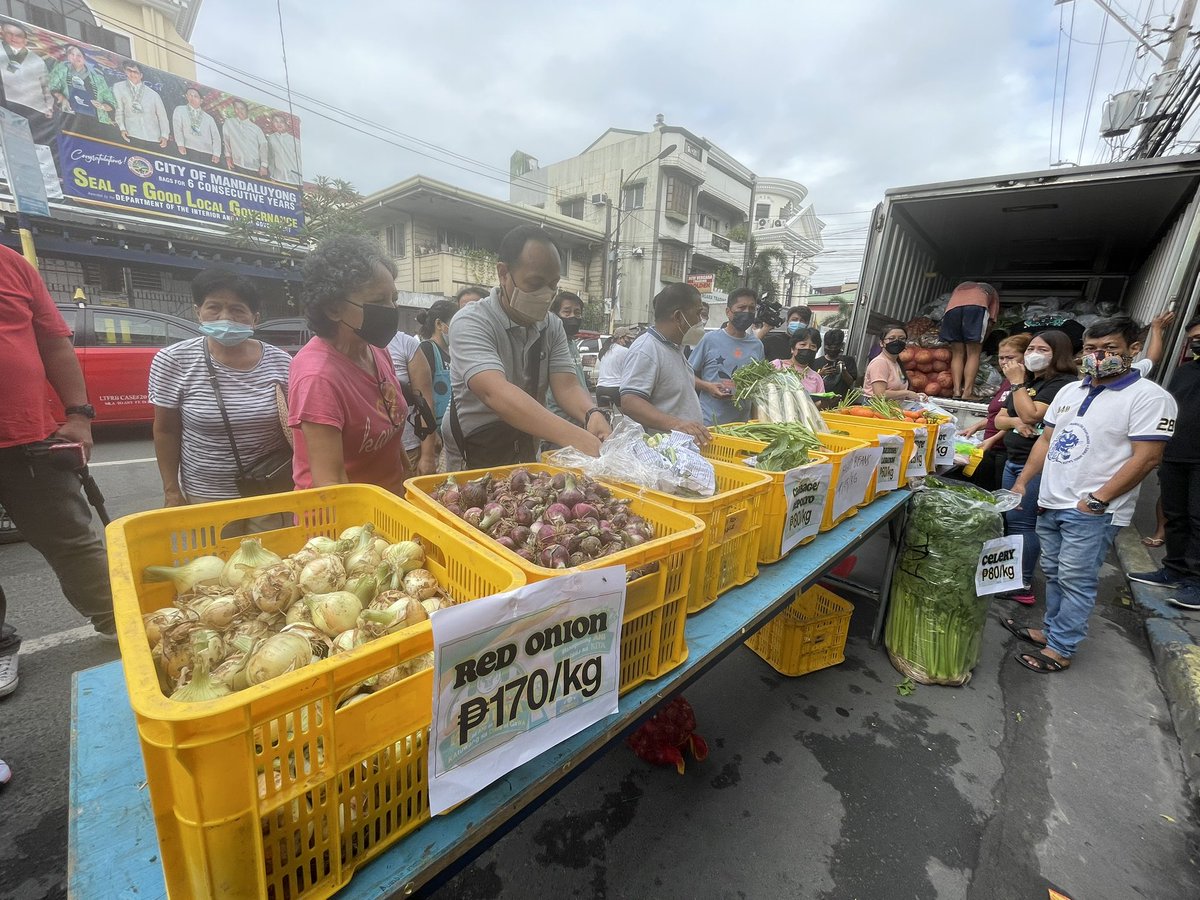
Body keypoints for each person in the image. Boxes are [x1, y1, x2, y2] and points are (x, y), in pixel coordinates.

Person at [1006, 316, 1176, 673]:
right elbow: (1047, 439)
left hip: (1092, 510)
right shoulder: (1071, 391)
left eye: (1109, 349)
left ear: (1133, 350)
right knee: (1053, 573)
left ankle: (1061, 649)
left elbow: (1147, 458)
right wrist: (1023, 483)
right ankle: (1051, 632)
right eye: (1092, 349)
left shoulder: (1149, 397)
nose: (1098, 356)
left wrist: (1096, 500)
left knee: (1076, 579)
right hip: (1051, 501)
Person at [0, 243, 116, 700]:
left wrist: (79, 414)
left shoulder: (12, 264)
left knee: (73, 540)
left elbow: (53, 342)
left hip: (29, 438)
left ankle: (118, 621)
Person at [444, 225, 610, 469]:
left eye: (553, 285)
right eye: (535, 283)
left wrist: (592, 413)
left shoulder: (551, 325)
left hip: (526, 439)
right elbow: (495, 393)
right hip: (478, 446)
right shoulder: (471, 321)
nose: (546, 294)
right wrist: (573, 436)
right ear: (504, 273)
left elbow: (567, 385)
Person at [148, 269, 292, 527]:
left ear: (254, 318)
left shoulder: (281, 362)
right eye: (213, 307)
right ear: (198, 311)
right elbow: (166, 430)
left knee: (273, 563)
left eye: (237, 310)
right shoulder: (173, 361)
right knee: (214, 564)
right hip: (207, 496)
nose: (225, 317)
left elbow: (297, 428)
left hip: (270, 489)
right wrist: (171, 491)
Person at [289, 235, 410, 493]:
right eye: (378, 301)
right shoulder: (318, 376)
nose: (391, 309)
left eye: (394, 298)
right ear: (333, 309)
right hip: (344, 520)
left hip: (387, 506)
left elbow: (389, 424)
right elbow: (331, 484)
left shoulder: (375, 350)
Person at [994, 330, 1078, 606]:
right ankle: (1009, 577)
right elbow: (1001, 419)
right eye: (1030, 349)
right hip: (1014, 459)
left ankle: (1022, 583)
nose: (1032, 355)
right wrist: (1016, 421)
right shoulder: (1031, 383)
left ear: (1059, 354)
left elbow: (1032, 414)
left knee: (1023, 523)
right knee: (1012, 521)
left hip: (1036, 464)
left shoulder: (1062, 385)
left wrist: (1017, 387)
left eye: (1041, 350)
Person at [1128, 316, 1200, 609]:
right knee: (1175, 514)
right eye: (1193, 337)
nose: (1197, 341)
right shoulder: (1185, 372)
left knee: (1198, 519)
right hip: (1176, 454)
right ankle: (1173, 569)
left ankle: (1195, 582)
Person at [621, 282, 712, 447]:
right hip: (662, 453)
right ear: (678, 316)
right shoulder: (647, 349)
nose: (700, 321)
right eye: (698, 314)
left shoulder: (675, 346)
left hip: (682, 450)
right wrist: (677, 424)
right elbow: (630, 401)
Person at [962, 334, 1031, 492]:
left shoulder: (1023, 384)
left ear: (1025, 356)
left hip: (1004, 452)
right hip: (989, 448)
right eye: (1001, 358)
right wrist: (976, 427)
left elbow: (1019, 420)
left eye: (1010, 357)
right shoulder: (1007, 381)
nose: (1005, 362)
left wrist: (993, 439)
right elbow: (997, 415)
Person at [690, 287, 764, 425]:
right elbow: (687, 375)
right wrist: (708, 387)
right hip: (709, 424)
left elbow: (758, 388)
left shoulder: (757, 345)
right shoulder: (709, 340)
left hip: (741, 427)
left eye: (751, 309)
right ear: (728, 312)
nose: (747, 312)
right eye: (741, 308)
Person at [386, 327, 438, 475]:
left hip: (409, 449)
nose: (391, 306)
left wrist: (428, 456)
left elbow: (425, 402)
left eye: (394, 301)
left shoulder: (406, 344)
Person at [939, 281, 1000, 401]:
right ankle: (967, 392)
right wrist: (981, 341)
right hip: (976, 308)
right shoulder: (992, 292)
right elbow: (991, 320)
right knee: (974, 353)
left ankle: (956, 391)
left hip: (951, 310)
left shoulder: (961, 287)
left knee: (957, 353)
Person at [0, 22, 55, 146]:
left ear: (25, 40)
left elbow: (45, 86)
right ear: (2, 34)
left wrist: (49, 106)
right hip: (5, 102)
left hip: (32, 108)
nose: (14, 38)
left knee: (27, 144)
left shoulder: (37, 60)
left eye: (18, 35)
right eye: (10, 34)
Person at [48, 44, 115, 139]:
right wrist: (62, 97)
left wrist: (102, 106)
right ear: (68, 57)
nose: (76, 57)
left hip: (95, 123)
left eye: (79, 55)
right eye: (72, 54)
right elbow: (51, 87)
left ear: (84, 58)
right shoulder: (62, 69)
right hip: (68, 120)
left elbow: (111, 103)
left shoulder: (98, 78)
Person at [545, 291, 590, 426]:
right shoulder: (550, 343)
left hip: (580, 418)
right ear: (555, 314)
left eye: (577, 312)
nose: (573, 317)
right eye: (567, 312)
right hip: (560, 422)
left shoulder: (572, 343)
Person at [416, 299, 458, 431]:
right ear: (439, 324)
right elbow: (422, 397)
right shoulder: (427, 349)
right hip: (436, 429)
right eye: (456, 323)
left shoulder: (453, 352)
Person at [112, 59, 168, 152]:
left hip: (154, 138)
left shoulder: (153, 94)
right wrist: (122, 128)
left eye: (135, 72)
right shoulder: (118, 87)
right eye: (129, 71)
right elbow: (119, 109)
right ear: (125, 72)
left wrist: (164, 135)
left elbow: (162, 117)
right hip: (132, 134)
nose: (132, 74)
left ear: (141, 75)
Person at [864, 326, 925, 401]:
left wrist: (915, 396)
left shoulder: (896, 363)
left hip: (892, 409)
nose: (897, 341)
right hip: (876, 410)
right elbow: (880, 394)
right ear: (882, 343)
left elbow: (896, 391)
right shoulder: (880, 362)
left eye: (901, 338)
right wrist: (907, 393)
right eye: (891, 338)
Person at [172, 86, 220, 163]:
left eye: (195, 96)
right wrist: (180, 144)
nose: (192, 98)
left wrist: (216, 153)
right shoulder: (180, 110)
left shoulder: (209, 118)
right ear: (186, 97)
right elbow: (177, 128)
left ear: (201, 100)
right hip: (187, 148)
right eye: (190, 95)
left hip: (206, 152)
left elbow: (216, 137)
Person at [222, 98, 268, 176]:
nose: (239, 111)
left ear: (247, 110)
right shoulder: (229, 123)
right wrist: (228, 157)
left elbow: (263, 147)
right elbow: (226, 141)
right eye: (237, 108)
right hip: (235, 164)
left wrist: (264, 166)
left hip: (253, 168)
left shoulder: (256, 129)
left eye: (242, 108)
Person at [774, 325, 826, 393]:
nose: (807, 348)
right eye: (803, 344)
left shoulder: (816, 378)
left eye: (813, 346)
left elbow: (819, 402)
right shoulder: (778, 366)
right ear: (793, 348)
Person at [596, 326, 636, 408]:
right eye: (627, 338)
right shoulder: (624, 351)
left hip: (600, 388)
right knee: (628, 417)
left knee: (604, 418)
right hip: (616, 388)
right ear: (620, 338)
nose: (629, 341)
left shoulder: (605, 350)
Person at [815, 328, 858, 399]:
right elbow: (811, 384)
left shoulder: (848, 361)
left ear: (841, 346)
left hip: (841, 403)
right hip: (821, 402)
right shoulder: (816, 362)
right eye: (829, 347)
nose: (832, 349)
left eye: (835, 347)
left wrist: (843, 370)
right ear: (825, 345)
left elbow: (850, 383)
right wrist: (821, 374)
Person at [267, 111, 301, 184]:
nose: (279, 124)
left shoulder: (295, 141)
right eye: (276, 121)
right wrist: (271, 175)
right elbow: (270, 158)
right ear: (273, 123)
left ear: (286, 124)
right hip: (277, 178)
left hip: (294, 179)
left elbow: (300, 160)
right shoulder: (270, 138)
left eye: (281, 121)